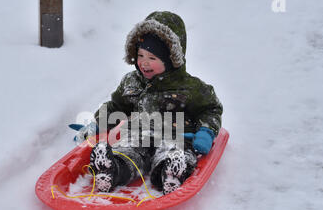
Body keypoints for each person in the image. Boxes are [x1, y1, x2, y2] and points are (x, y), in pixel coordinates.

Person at [71, 11, 223, 195]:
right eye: (141, 55)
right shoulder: (132, 82)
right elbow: (117, 107)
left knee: (173, 151)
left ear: (171, 60)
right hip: (139, 134)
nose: (144, 63)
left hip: (176, 135)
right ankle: (111, 170)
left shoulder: (189, 87)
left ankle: (171, 173)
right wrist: (98, 124)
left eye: (152, 58)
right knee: (129, 151)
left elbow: (210, 109)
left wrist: (206, 131)